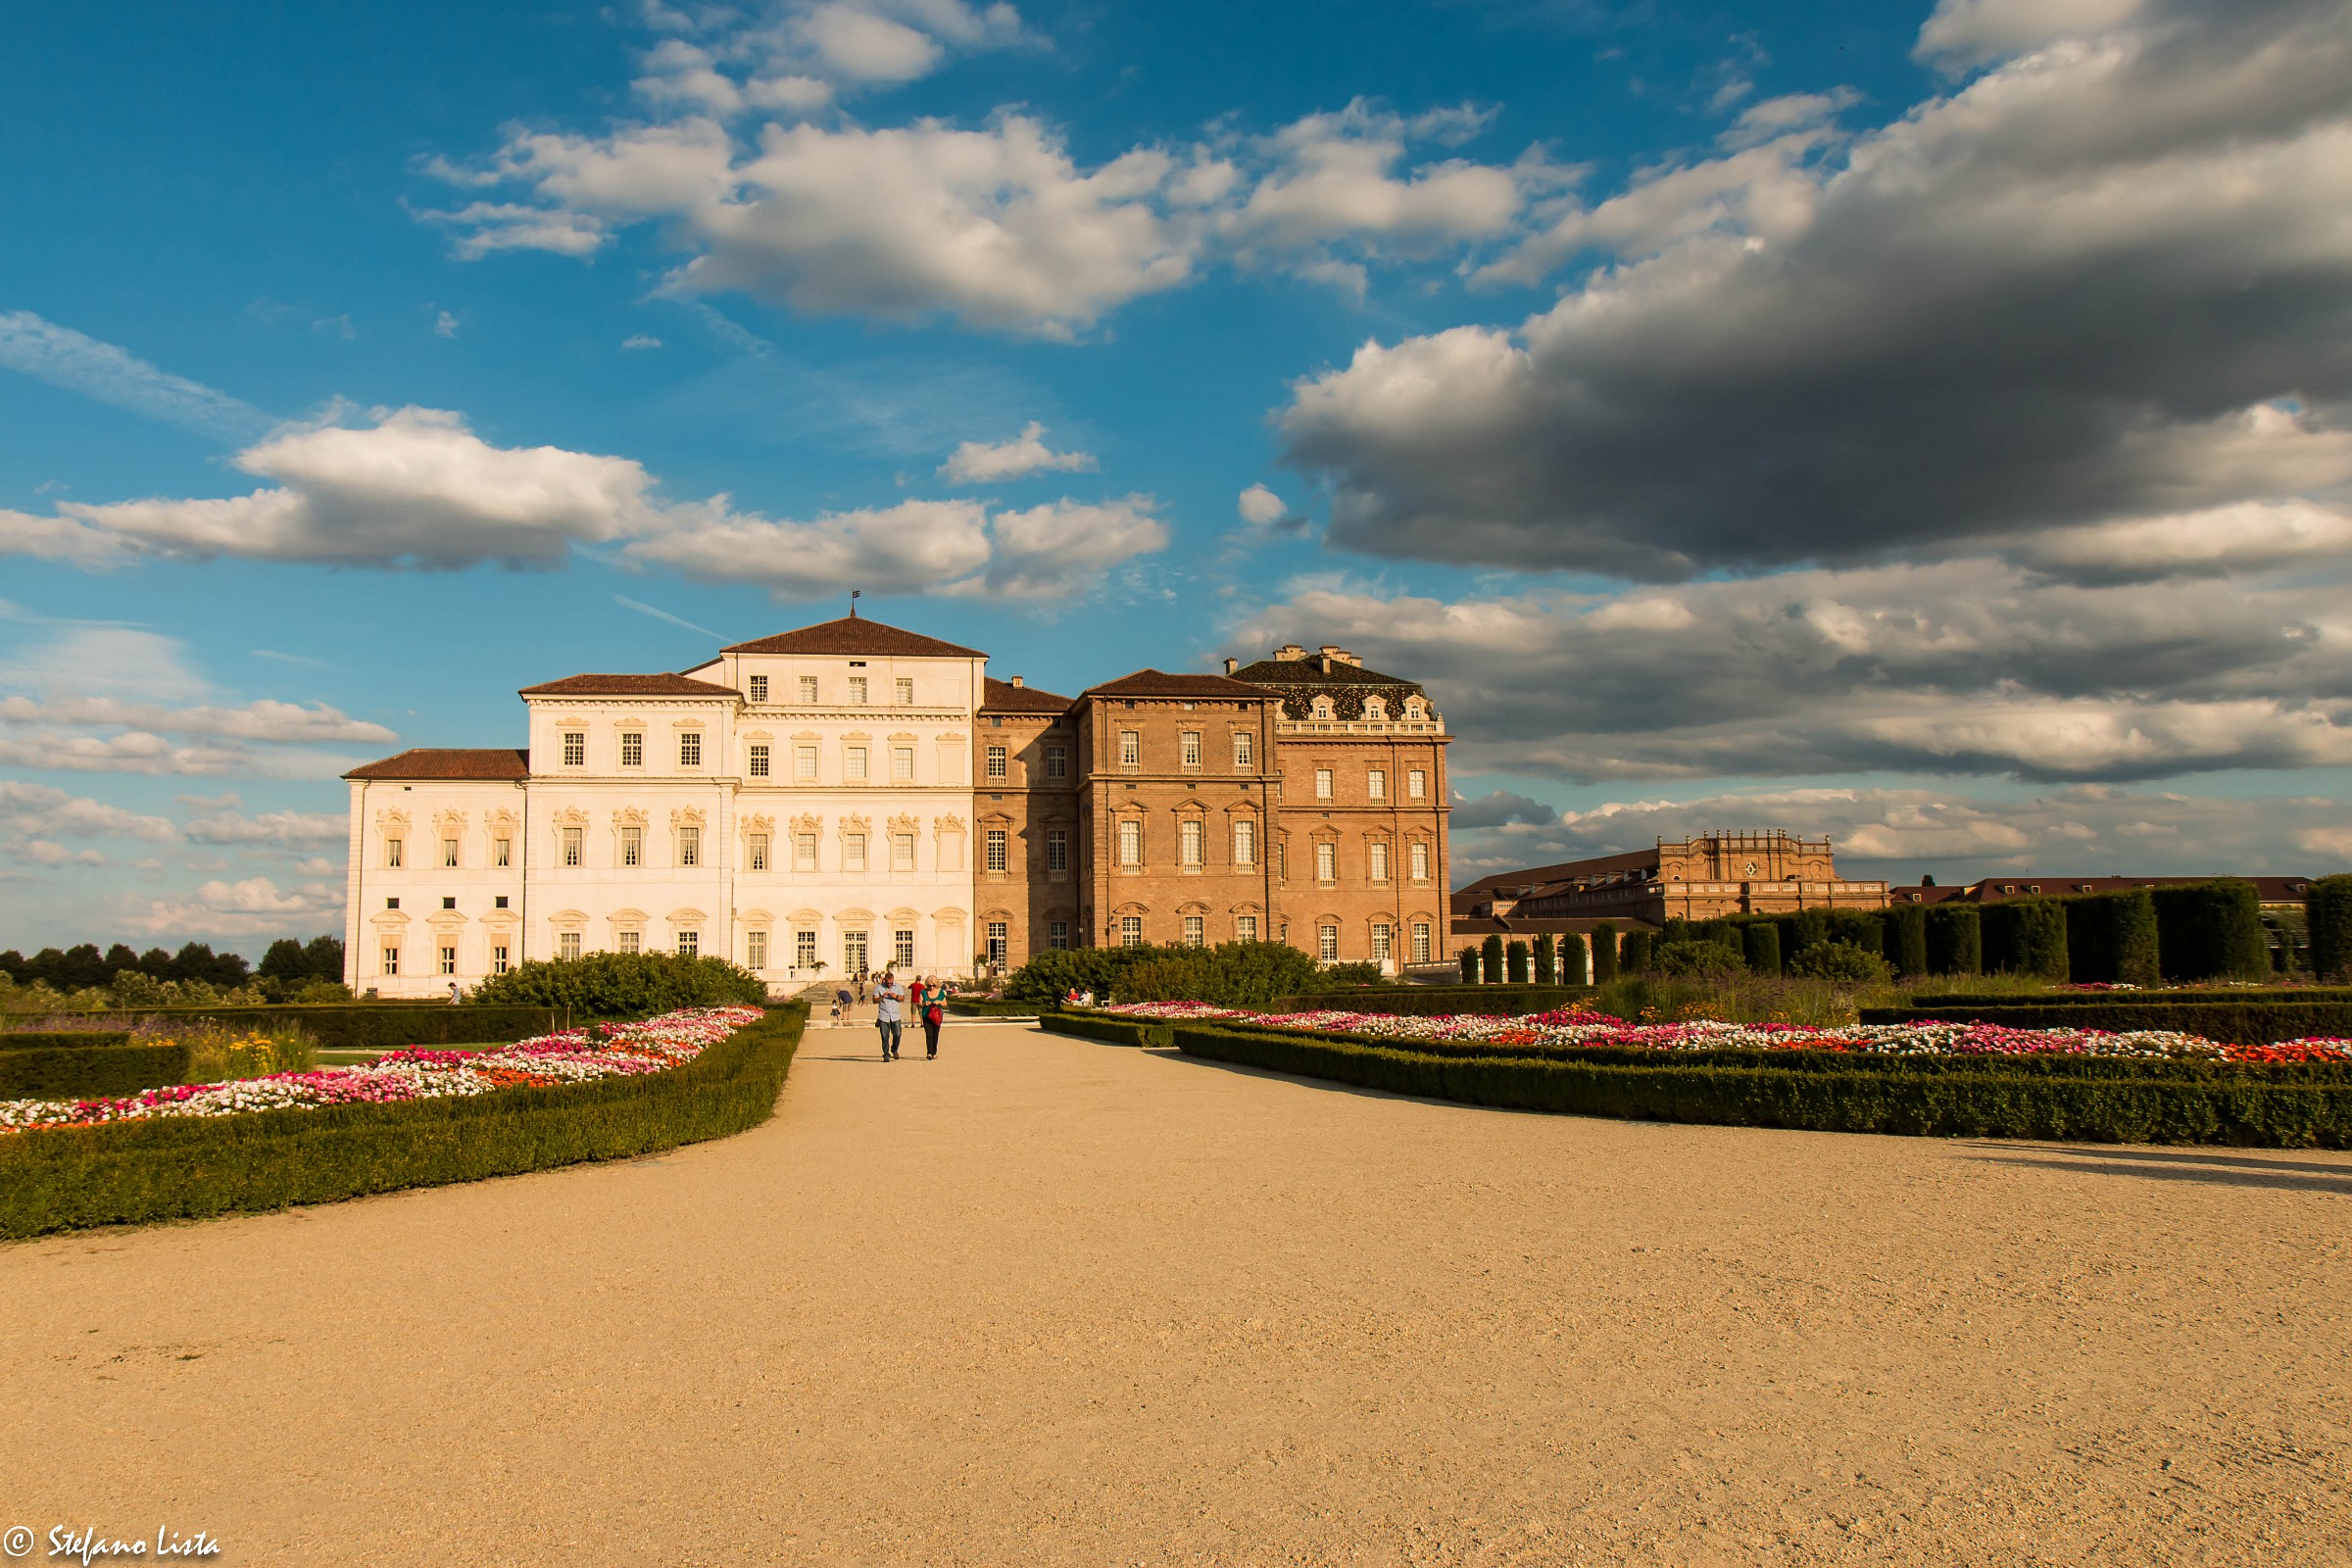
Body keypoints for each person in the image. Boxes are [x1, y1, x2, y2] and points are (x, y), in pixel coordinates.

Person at [873, 969, 906, 1060]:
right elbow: (874, 1000)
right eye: (888, 983)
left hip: (895, 1015)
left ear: (893, 980)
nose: (889, 985)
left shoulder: (898, 987)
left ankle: (894, 1049)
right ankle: (886, 1054)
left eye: (891, 983)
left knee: (898, 1034)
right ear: (884, 980)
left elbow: (902, 998)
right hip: (884, 1016)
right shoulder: (879, 988)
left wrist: (897, 997)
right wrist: (882, 997)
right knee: (884, 1036)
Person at [919, 976, 945, 1058]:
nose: (932, 987)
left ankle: (934, 1052)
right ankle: (929, 1052)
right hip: (927, 1015)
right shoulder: (923, 992)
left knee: (935, 1034)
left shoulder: (941, 992)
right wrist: (924, 1004)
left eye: (933, 985)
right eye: (930, 986)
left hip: (937, 1016)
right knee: (929, 1034)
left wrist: (939, 1002)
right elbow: (919, 1004)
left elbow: (945, 1004)